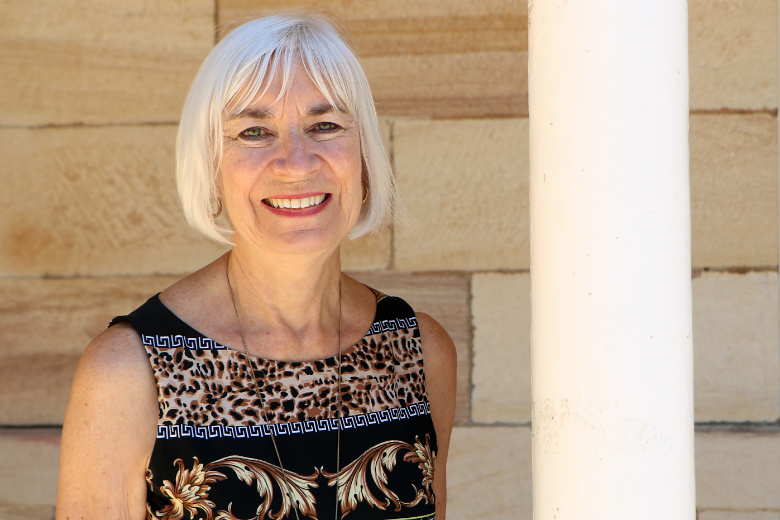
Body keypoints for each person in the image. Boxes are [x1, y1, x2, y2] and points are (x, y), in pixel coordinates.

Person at [55, 12, 456, 520]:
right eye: (254, 131)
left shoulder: (420, 354)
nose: (296, 161)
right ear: (211, 165)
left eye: (325, 125)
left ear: (365, 156)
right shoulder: (127, 371)